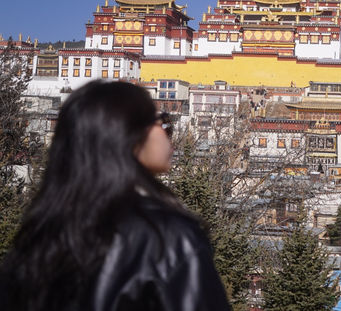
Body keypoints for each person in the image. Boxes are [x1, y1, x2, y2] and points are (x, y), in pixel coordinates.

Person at [0, 81, 230, 310]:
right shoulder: (167, 237)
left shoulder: (36, 237)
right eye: (161, 122)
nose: (166, 132)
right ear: (128, 137)